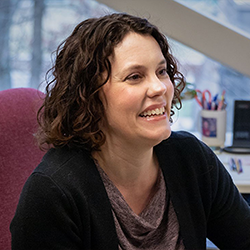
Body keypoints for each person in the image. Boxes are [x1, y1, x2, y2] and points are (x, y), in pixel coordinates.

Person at [10, 13, 250, 250]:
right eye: (135, 77)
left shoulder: (192, 159)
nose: (159, 88)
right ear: (88, 96)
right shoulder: (52, 193)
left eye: (161, 71)